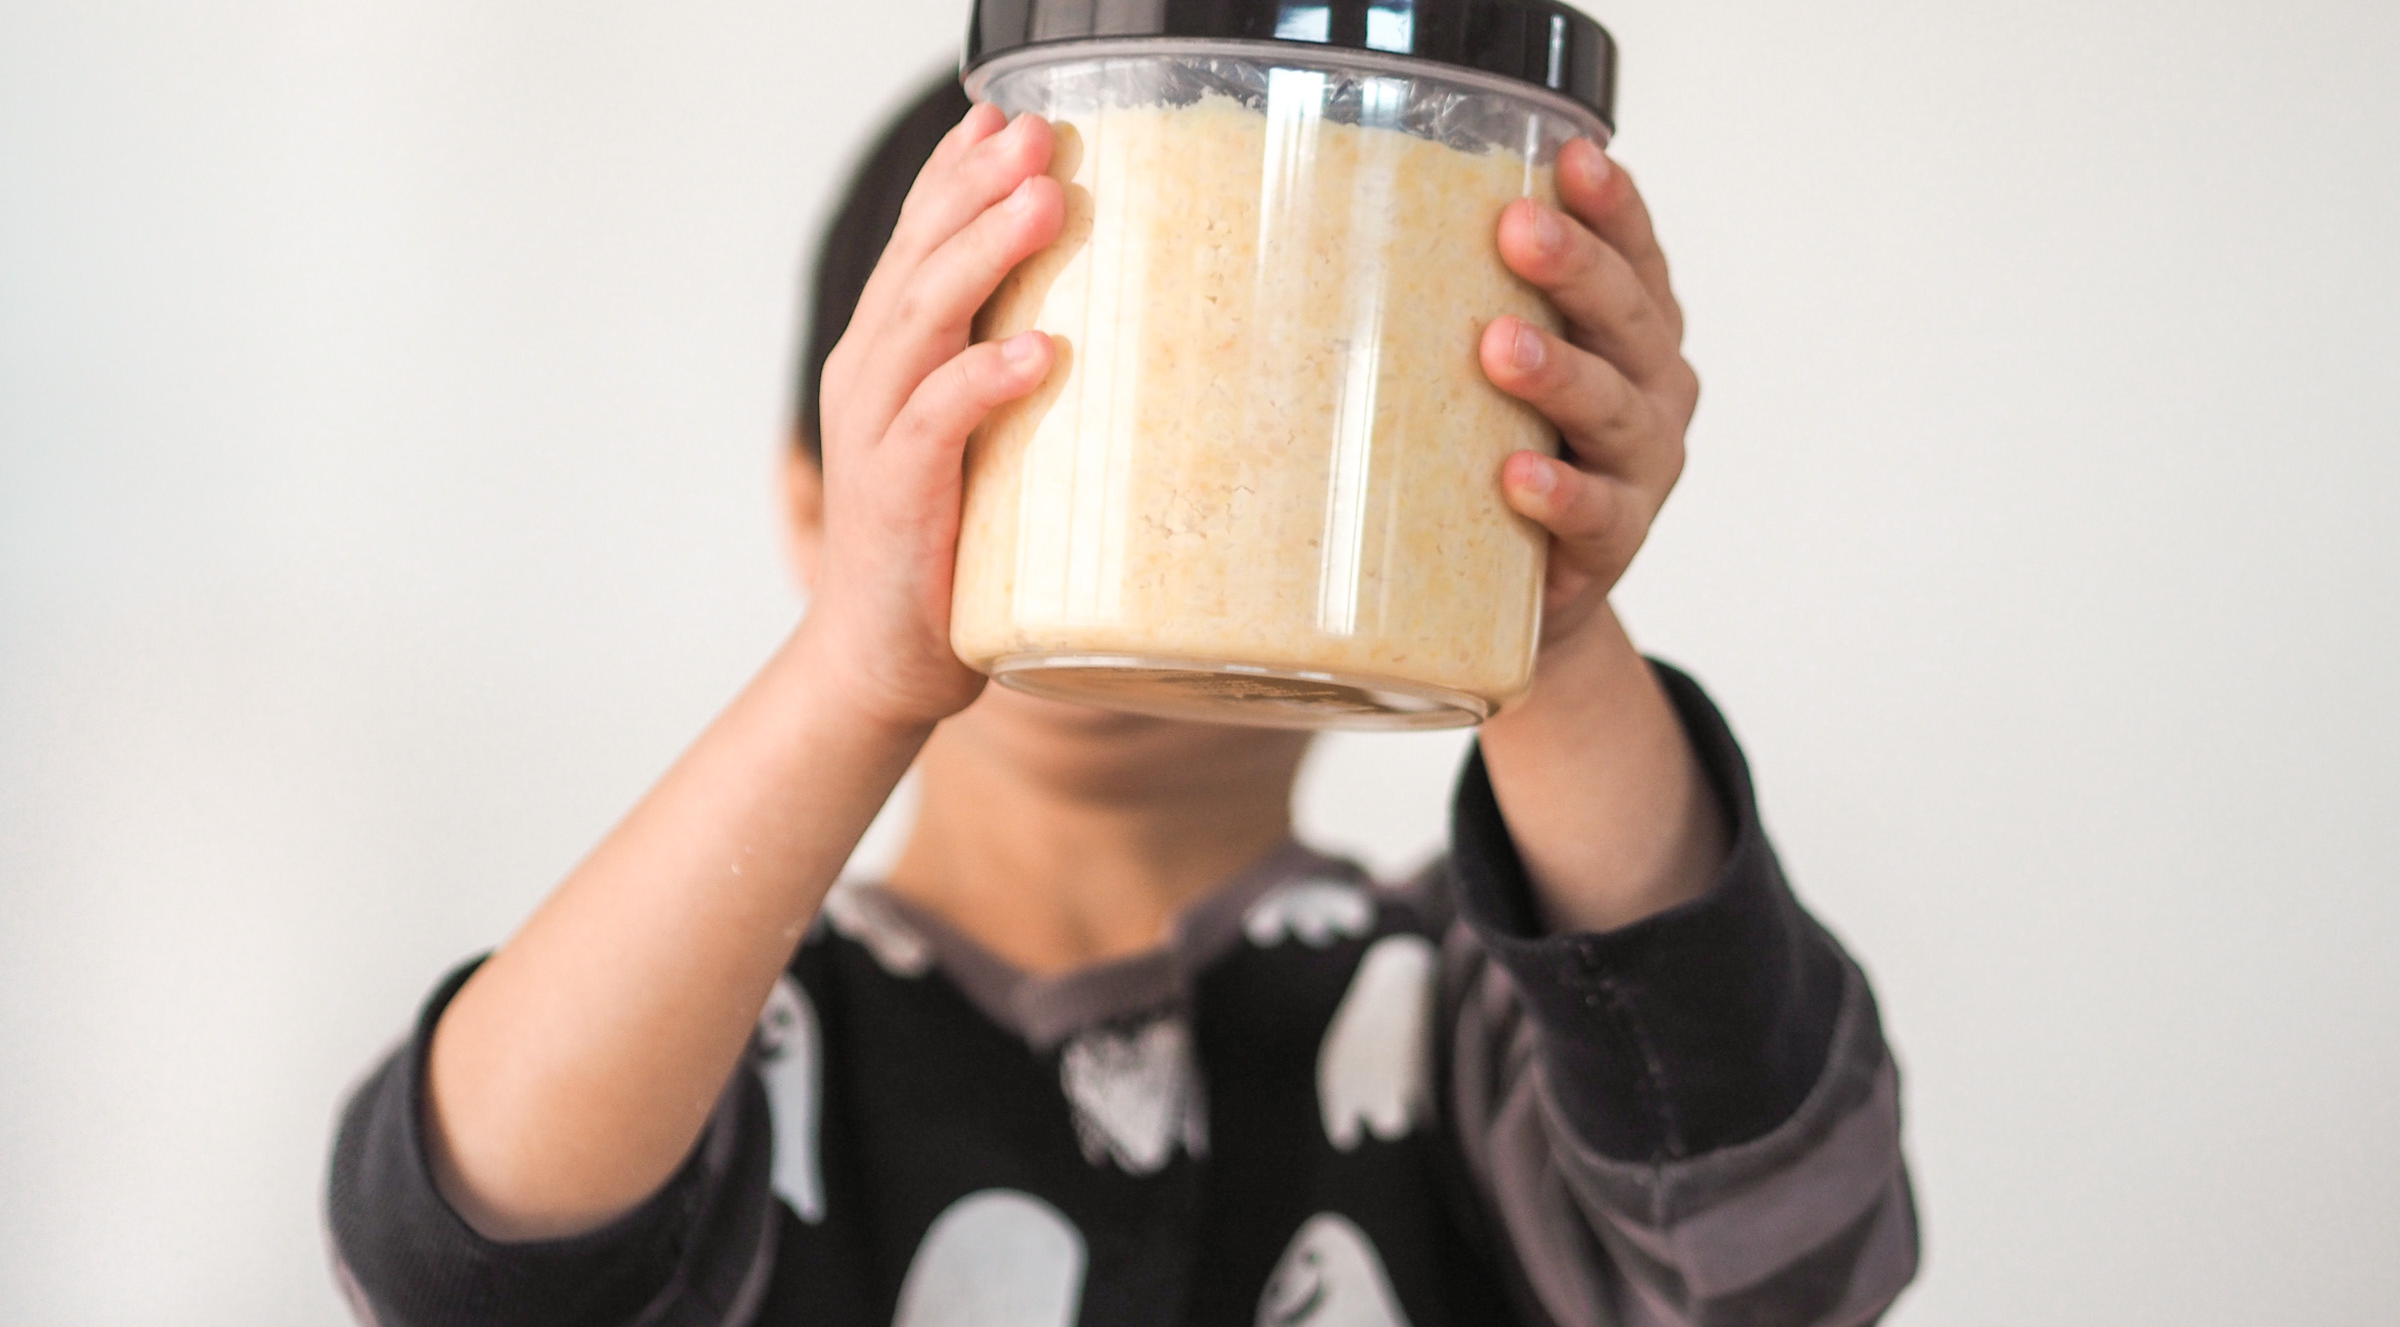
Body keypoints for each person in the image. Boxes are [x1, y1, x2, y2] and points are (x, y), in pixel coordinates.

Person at [327, 75, 1918, 1327]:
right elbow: (468, 1262)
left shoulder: (1456, 1027)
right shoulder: (744, 1047)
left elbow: (1781, 1255)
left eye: (1227, 457)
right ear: (821, 506)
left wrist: (1542, 609)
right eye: (1005, 412)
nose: (1131, 522)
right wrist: (852, 672)